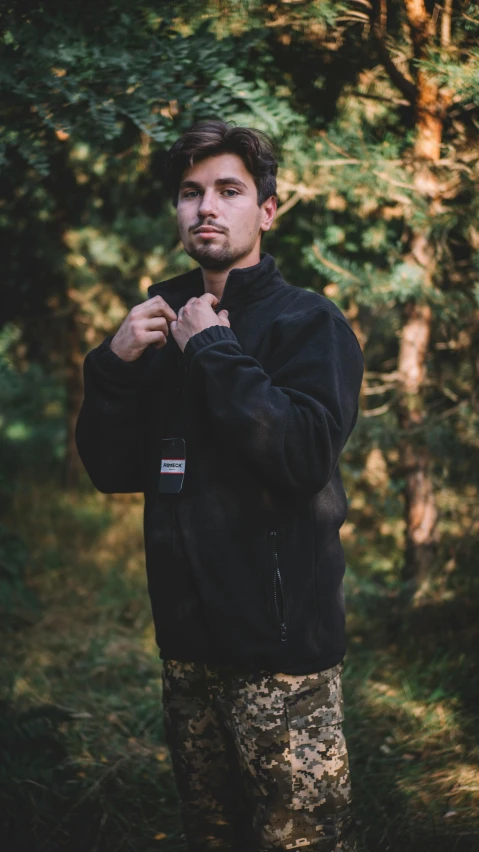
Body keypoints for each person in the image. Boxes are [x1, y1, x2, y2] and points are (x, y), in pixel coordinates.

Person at [75, 119, 364, 852]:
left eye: (228, 190)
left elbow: (299, 456)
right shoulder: (156, 324)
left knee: (298, 842)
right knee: (212, 835)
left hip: (282, 659)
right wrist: (111, 366)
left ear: (265, 210)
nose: (206, 207)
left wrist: (211, 346)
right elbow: (112, 470)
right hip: (189, 652)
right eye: (190, 193)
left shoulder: (309, 324)